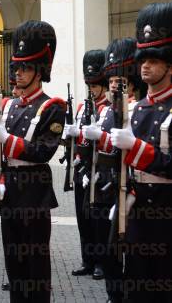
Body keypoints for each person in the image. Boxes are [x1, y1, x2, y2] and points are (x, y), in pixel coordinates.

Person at [0, 21, 65, 303]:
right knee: (14, 261)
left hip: (34, 193)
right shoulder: (8, 105)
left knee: (35, 264)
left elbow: (43, 151)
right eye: (16, 68)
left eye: (26, 68)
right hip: (10, 193)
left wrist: (6, 140)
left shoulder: (52, 106)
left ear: (40, 71)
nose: (18, 73)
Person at [109, 2, 172, 302]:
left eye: (154, 59)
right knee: (135, 286)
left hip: (166, 213)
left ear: (169, 64)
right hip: (137, 211)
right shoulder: (133, 110)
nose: (144, 65)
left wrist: (136, 148)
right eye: (142, 58)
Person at [81, 39, 139, 302]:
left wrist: (101, 139)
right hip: (106, 185)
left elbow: (122, 149)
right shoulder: (108, 111)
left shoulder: (138, 109)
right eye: (112, 79)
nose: (114, 84)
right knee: (108, 250)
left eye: (120, 79)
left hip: (132, 189)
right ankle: (114, 294)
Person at [63, 49, 110, 281]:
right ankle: (88, 259)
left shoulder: (109, 108)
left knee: (98, 219)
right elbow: (75, 139)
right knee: (83, 217)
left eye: (95, 85)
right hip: (82, 167)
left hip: (99, 170)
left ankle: (101, 262)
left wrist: (85, 133)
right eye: (89, 85)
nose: (91, 89)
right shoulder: (82, 108)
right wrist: (71, 133)